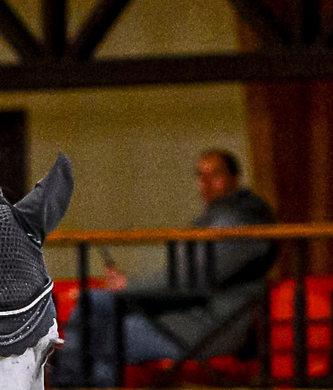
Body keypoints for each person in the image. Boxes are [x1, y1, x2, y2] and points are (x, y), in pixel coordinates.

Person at [110, 148, 278, 372]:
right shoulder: (211, 221)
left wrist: (129, 287)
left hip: (207, 331)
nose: (205, 183)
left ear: (234, 179)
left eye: (215, 175)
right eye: (200, 175)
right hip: (186, 321)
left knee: (101, 331)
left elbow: (188, 277)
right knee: (95, 310)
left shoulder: (239, 222)